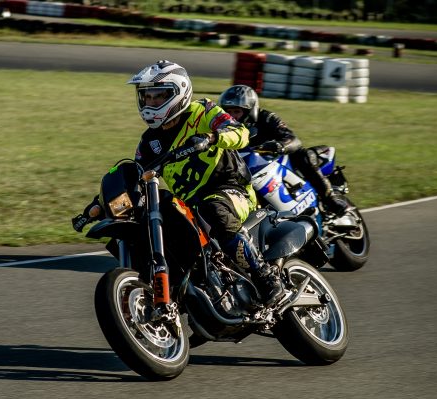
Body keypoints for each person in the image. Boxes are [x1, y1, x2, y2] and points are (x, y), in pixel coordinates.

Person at [73, 60, 284, 306]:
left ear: (179, 93)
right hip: (189, 205)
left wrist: (212, 137)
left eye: (158, 96)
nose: (151, 103)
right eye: (146, 97)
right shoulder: (149, 142)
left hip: (229, 189)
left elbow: (240, 133)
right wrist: (97, 206)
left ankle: (266, 277)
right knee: (153, 220)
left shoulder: (203, 112)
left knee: (213, 209)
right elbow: (137, 175)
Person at [218, 84, 350, 216]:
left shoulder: (267, 118)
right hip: (247, 168)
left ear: (250, 111)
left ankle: (330, 198)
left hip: (278, 159)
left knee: (304, 156)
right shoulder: (223, 129)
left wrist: (280, 146)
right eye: (228, 112)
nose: (232, 117)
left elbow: (293, 139)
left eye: (237, 111)